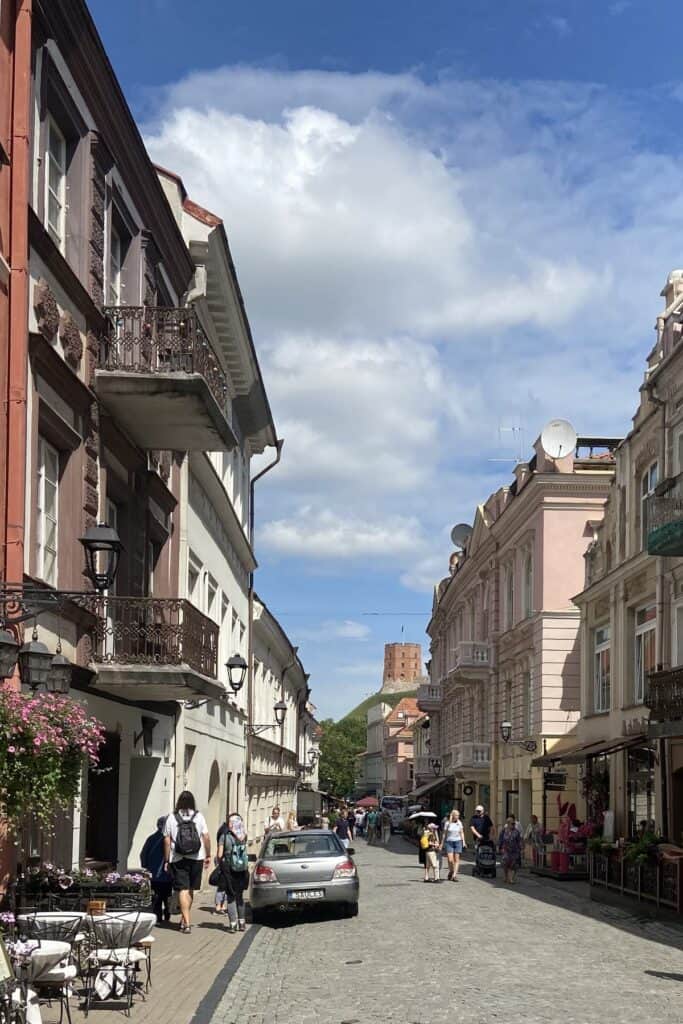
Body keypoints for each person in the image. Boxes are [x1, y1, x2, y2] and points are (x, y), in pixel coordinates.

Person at [163, 791, 211, 933]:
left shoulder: (172, 817)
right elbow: (206, 837)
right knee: (190, 889)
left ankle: (186, 922)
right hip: (197, 857)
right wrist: (208, 854)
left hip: (178, 857)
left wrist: (166, 859)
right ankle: (186, 920)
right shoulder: (199, 816)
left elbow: (166, 840)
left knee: (182, 889)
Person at [216, 813, 249, 932]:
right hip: (242, 870)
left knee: (230, 897)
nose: (228, 824)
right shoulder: (244, 835)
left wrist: (220, 861)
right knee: (240, 896)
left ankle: (233, 924)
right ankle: (242, 923)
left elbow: (220, 855)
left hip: (229, 870)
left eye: (230, 822)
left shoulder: (224, 837)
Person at [140, 815, 171, 924]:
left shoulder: (151, 838)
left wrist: (146, 866)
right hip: (168, 874)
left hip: (154, 874)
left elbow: (143, 854)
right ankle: (167, 913)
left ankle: (158, 916)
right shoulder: (170, 839)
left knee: (156, 896)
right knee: (167, 895)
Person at [441, 809, 466, 881]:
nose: (458, 817)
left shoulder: (459, 823)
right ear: (453, 815)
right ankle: (451, 871)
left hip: (458, 841)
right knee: (450, 859)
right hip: (449, 842)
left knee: (456, 859)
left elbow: (461, 832)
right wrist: (442, 843)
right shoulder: (447, 823)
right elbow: (444, 834)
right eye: (456, 815)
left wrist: (463, 842)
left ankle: (454, 875)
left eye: (458, 815)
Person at [499, 816, 523, 884]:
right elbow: (501, 839)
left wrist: (520, 848)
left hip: (514, 850)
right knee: (505, 863)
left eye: (514, 823)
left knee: (514, 865)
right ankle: (506, 876)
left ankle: (511, 878)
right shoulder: (504, 831)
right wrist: (500, 848)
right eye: (512, 823)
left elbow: (519, 841)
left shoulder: (516, 832)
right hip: (506, 850)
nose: (513, 825)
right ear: (508, 823)